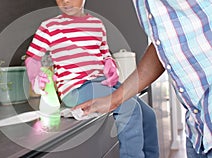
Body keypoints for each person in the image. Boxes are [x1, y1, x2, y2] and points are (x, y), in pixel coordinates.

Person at [75, 0, 212, 157]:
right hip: (198, 127)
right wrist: (115, 99)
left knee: (144, 113)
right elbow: (163, 45)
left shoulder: (95, 25)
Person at [25, 0, 159, 157]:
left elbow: (105, 55)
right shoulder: (49, 26)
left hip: (103, 82)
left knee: (149, 115)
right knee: (130, 108)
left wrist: (110, 65)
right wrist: (35, 78)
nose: (65, 1)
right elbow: (32, 58)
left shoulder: (97, 25)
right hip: (76, 88)